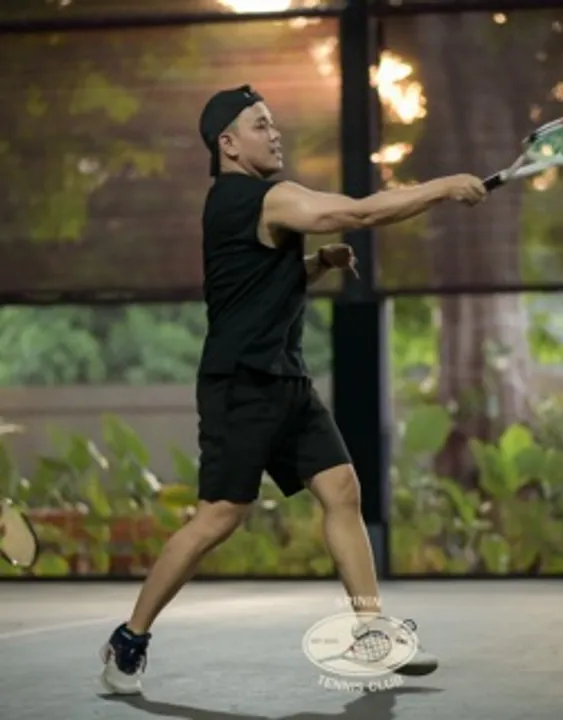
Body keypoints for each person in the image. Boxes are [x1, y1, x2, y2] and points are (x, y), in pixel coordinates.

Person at [100, 85, 487, 695]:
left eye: (273, 123)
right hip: (241, 384)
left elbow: (257, 283)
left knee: (342, 490)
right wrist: (442, 188)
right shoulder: (255, 198)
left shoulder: (252, 207)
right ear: (228, 144)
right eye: (260, 125)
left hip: (286, 379)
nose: (274, 133)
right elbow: (358, 213)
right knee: (218, 518)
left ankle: (371, 632)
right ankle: (129, 639)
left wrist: (318, 265)